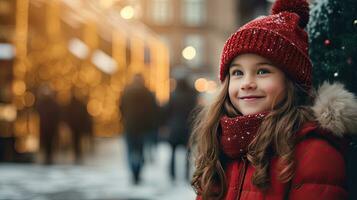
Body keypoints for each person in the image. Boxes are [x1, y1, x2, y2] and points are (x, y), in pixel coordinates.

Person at [190, 0, 357, 199]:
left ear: (290, 80)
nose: (247, 83)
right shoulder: (221, 144)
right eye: (237, 73)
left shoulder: (313, 150)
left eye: (262, 71)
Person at [120, 74, 159, 184]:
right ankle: (138, 172)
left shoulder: (126, 92)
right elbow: (153, 111)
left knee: (131, 151)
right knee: (140, 151)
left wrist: (124, 120)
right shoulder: (148, 93)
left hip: (129, 127)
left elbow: (121, 108)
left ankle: (133, 172)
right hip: (143, 128)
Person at [165, 77, 198, 181]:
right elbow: (196, 112)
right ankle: (186, 174)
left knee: (172, 153)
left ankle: (172, 174)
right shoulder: (191, 96)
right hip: (187, 129)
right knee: (187, 154)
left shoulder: (173, 95)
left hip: (174, 128)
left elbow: (167, 111)